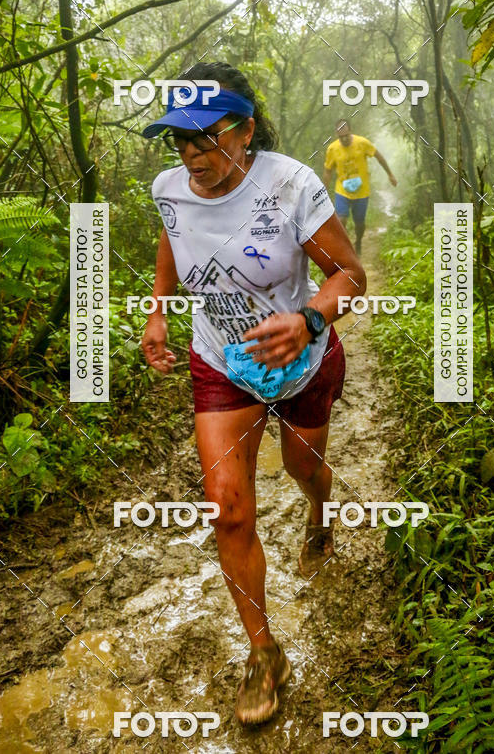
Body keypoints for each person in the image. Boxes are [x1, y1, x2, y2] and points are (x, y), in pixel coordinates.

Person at [140, 63, 366, 726]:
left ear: (245, 131)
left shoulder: (290, 183)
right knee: (229, 510)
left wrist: (309, 319)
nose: (189, 154)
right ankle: (263, 651)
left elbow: (348, 274)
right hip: (223, 364)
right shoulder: (169, 189)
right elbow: (171, 235)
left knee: (304, 471)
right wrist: (158, 311)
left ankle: (320, 518)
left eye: (206, 137)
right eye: (178, 140)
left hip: (303, 363)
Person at [323, 118, 397, 255]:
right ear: (337, 135)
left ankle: (358, 241)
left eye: (346, 136)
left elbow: (379, 157)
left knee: (359, 223)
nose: (344, 139)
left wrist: (390, 174)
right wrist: (323, 190)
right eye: (341, 137)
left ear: (350, 131)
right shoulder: (332, 149)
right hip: (342, 190)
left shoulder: (362, 143)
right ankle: (346, 249)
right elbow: (328, 171)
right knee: (341, 219)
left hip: (362, 191)